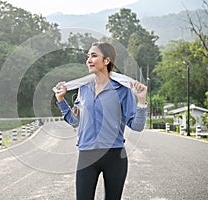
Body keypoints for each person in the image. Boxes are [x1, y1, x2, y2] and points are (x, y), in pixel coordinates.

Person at [54, 42, 147, 200]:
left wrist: (142, 101)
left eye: (94, 55)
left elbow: (136, 126)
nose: (89, 60)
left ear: (106, 61)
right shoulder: (83, 88)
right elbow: (75, 121)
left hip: (115, 157)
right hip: (86, 156)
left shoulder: (122, 89)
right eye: (88, 56)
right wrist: (61, 100)